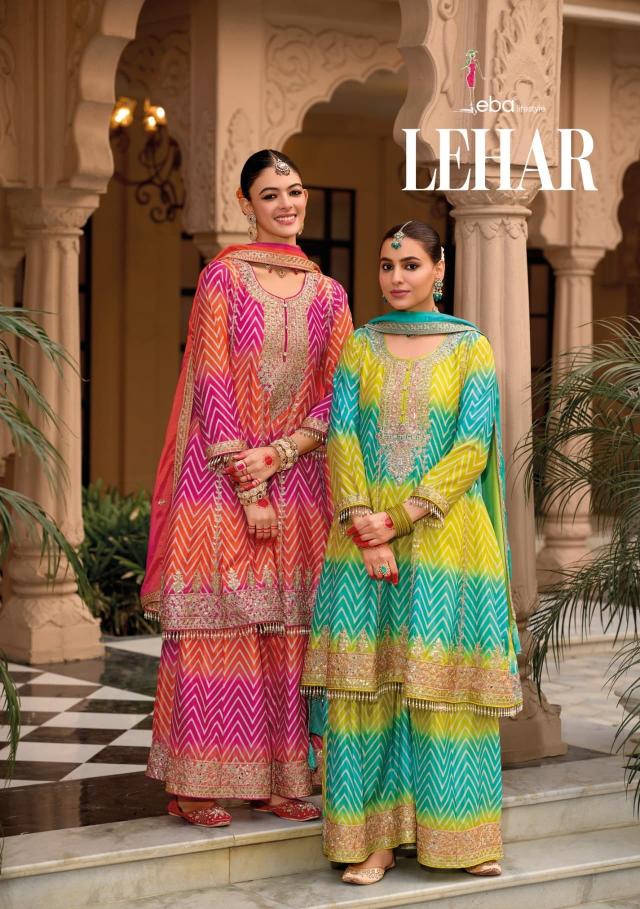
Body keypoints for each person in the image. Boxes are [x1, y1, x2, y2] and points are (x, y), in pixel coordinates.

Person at [301, 219, 522, 881]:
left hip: (447, 541)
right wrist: (363, 523)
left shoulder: (470, 348)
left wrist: (399, 517)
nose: (397, 277)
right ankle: (374, 841)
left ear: (439, 269)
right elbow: (342, 437)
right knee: (369, 690)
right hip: (362, 542)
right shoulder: (361, 346)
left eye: (411, 265)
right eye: (387, 265)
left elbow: (472, 446)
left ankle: (461, 838)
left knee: (443, 689)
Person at [142, 149, 353, 827]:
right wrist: (250, 484)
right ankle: (195, 783)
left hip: (300, 480)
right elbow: (211, 382)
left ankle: (280, 779)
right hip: (221, 481)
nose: (287, 204)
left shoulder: (330, 294)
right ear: (245, 204)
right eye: (271, 194)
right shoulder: (223, 279)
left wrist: (283, 453)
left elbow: (340, 392)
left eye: (295, 190)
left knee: (288, 629)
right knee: (220, 623)